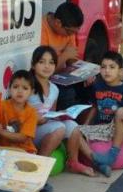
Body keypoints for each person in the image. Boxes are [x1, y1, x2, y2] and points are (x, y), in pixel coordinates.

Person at [29, 45, 103, 178]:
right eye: (42, 62)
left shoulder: (54, 89)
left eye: (51, 62)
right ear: (33, 65)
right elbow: (18, 112)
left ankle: (73, 163)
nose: (47, 66)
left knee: (72, 126)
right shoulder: (28, 86)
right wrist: (35, 118)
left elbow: (51, 113)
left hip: (43, 127)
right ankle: (38, 169)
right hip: (29, 129)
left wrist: (62, 114)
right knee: (59, 128)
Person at [80, 51, 123, 174]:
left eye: (112, 67)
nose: (107, 71)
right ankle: (99, 164)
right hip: (101, 128)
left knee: (121, 111)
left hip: (119, 128)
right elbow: (95, 106)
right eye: (103, 67)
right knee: (74, 132)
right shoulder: (97, 86)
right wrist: (85, 125)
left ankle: (112, 154)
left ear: (121, 72)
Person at [0, 70, 38, 154]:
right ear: (9, 89)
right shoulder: (1, 105)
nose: (20, 91)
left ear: (31, 92)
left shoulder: (32, 112)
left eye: (25, 88)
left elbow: (22, 138)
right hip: (2, 148)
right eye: (15, 87)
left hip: (25, 150)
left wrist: (1, 131)